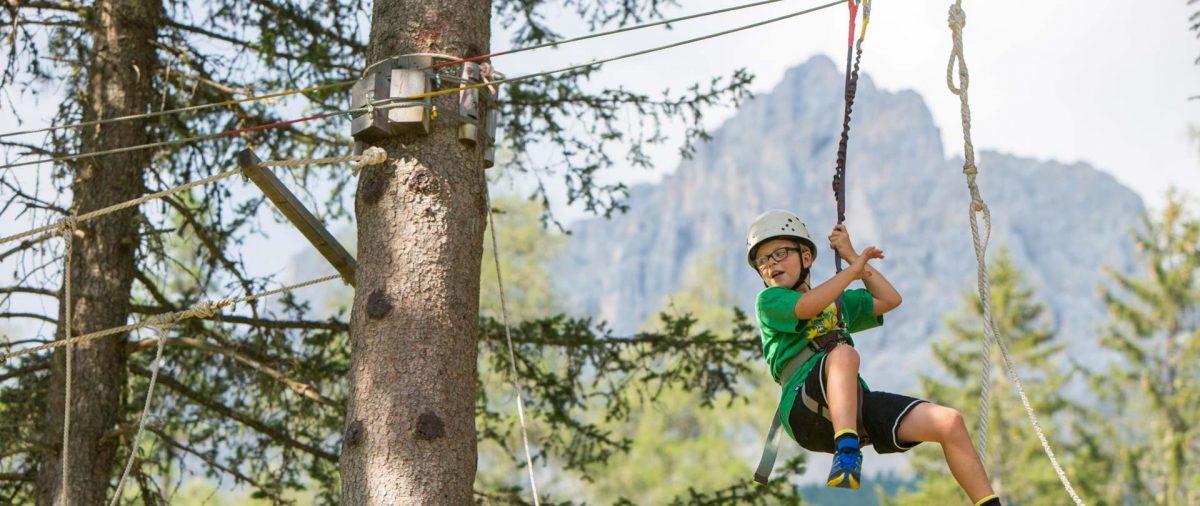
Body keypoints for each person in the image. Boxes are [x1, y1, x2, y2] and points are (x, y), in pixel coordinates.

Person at [747, 209, 1001, 506]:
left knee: (949, 422)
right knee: (843, 354)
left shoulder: (837, 303)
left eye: (779, 254)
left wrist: (853, 257)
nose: (770, 265)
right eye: (762, 261)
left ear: (806, 258)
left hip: (850, 406)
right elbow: (805, 307)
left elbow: (889, 299)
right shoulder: (769, 301)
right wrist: (850, 272)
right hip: (802, 408)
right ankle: (847, 450)